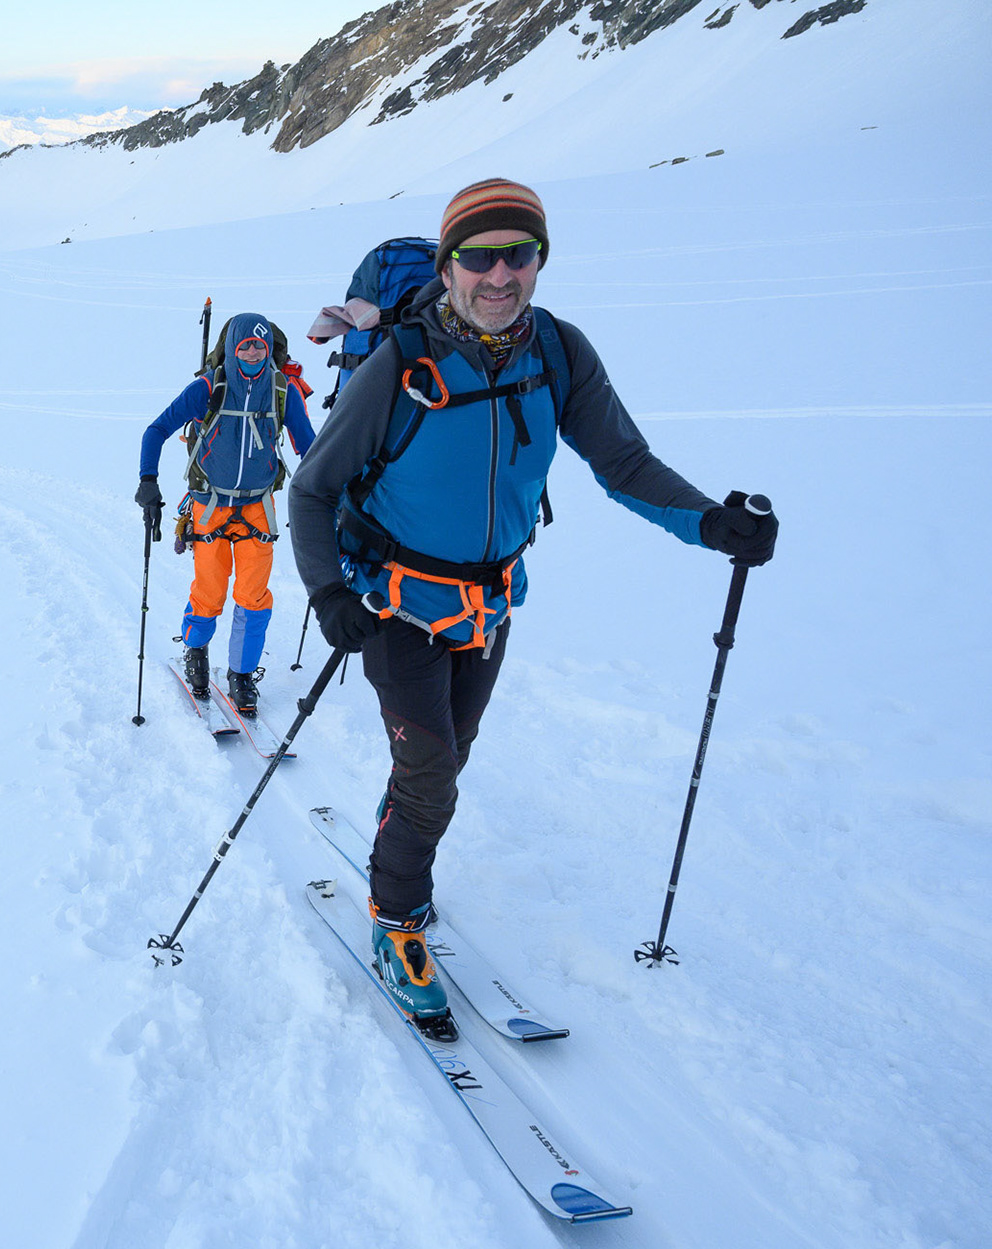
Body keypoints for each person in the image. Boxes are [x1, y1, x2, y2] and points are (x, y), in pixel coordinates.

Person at [288, 178, 779, 1027]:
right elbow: (312, 490)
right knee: (434, 773)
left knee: (448, 755)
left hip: (489, 605)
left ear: (540, 260)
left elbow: (623, 463)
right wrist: (329, 591)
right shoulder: (401, 363)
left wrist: (709, 523)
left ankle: (405, 815)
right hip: (393, 605)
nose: (500, 274)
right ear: (448, 269)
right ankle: (398, 917)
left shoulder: (560, 351)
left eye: (520, 253)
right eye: (479, 257)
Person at [136, 313, 315, 715]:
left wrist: (331, 490)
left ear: (269, 348)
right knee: (210, 591)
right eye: (244, 345)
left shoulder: (282, 391)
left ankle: (241, 674)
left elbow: (309, 447)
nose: (253, 351)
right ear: (231, 348)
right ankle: (196, 652)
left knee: (254, 596)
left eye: (260, 345)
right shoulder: (207, 388)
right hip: (210, 505)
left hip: (257, 507)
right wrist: (148, 481)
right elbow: (156, 430)